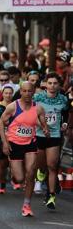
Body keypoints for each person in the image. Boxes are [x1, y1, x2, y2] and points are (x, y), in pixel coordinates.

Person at [0, 82, 49, 217]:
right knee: (20, 179)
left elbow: (43, 124)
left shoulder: (38, 108)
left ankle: (26, 205)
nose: (27, 94)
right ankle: (14, 172)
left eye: (30, 91)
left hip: (30, 144)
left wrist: (45, 129)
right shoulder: (12, 107)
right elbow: (1, 123)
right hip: (14, 143)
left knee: (31, 173)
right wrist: (4, 143)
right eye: (24, 91)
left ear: (33, 92)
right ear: (20, 91)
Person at [33, 73, 69, 209]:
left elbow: (66, 113)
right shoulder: (37, 98)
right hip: (39, 134)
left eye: (55, 83)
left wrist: (64, 124)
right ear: (45, 84)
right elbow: (31, 114)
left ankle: (51, 195)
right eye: (50, 83)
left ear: (59, 85)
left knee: (52, 166)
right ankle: (41, 172)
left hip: (54, 135)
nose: (52, 86)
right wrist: (41, 125)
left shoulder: (63, 99)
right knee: (42, 164)